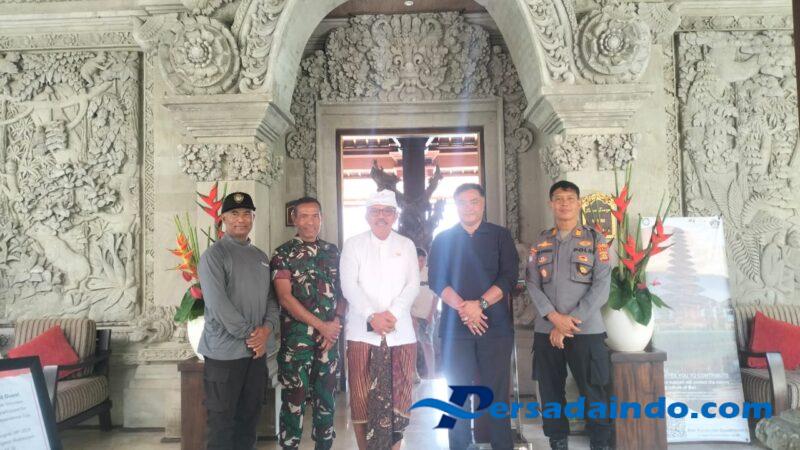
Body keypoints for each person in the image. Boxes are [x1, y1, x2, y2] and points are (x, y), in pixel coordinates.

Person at [428, 183, 518, 450]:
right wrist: (465, 309)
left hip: (496, 327)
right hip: (455, 329)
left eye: (474, 201)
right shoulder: (443, 239)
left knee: (497, 392)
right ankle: (459, 445)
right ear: (456, 206)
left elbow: (509, 277)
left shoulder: (500, 236)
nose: (468, 207)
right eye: (462, 202)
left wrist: (479, 304)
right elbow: (436, 280)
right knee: (457, 392)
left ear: (483, 203)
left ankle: (502, 445)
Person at [526, 180, 612, 450]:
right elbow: (531, 284)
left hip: (585, 330)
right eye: (559, 199)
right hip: (547, 330)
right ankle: (557, 440)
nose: (564, 204)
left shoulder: (596, 240)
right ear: (551, 204)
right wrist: (554, 318)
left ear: (579, 203)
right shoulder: (540, 241)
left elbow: (602, 287)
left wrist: (568, 322)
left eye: (570, 198)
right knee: (550, 391)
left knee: (593, 390)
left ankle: (600, 443)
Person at [197, 191, 279, 450]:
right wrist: (253, 336)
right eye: (234, 214)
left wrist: (267, 330)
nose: (241, 219)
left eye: (246, 214)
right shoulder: (214, 255)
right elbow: (218, 305)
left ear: (253, 218)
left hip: (255, 355)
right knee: (222, 423)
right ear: (223, 219)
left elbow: (271, 299)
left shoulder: (260, 257)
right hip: (224, 355)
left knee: (249, 419)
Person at [340, 190, 419, 450]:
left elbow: (413, 285)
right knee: (361, 397)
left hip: (400, 333)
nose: (381, 216)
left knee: (400, 397)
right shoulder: (353, 244)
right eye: (375, 211)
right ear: (367, 215)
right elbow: (348, 285)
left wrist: (392, 313)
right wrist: (371, 315)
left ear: (395, 216)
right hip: (362, 334)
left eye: (387, 211)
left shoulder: (406, 245)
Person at [271, 197, 345, 450]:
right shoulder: (283, 254)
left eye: (315, 216)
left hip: (328, 342)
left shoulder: (333, 252)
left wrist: (335, 324)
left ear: (321, 218)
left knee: (327, 400)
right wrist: (322, 326)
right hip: (297, 343)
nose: (310, 222)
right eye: (304, 216)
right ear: (294, 219)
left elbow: (343, 293)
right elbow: (285, 297)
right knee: (295, 399)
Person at [411, 247, 438, 380]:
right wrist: (411, 316)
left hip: (427, 316)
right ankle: (413, 373)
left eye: (423, 260)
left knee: (428, 344)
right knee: (412, 345)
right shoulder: (409, 275)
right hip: (413, 316)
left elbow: (436, 296)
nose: (421, 263)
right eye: (419, 260)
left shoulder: (430, 274)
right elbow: (406, 298)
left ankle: (432, 374)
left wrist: (430, 315)